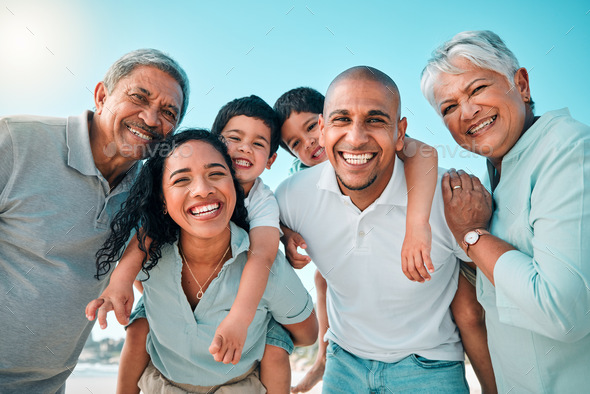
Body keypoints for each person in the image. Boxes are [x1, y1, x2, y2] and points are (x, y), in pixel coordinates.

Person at [0, 48, 188, 393]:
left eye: (167, 112)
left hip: (49, 386)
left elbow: (153, 249)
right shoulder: (14, 141)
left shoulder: (150, 191)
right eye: (138, 97)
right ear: (102, 96)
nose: (149, 119)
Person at [275, 66, 471, 393]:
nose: (356, 137)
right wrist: (282, 230)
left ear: (400, 133)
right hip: (345, 361)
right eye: (341, 120)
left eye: (375, 119)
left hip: (430, 364)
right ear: (325, 128)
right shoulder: (292, 195)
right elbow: (245, 221)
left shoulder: (447, 194)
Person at [87, 96, 298, 393]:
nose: (244, 149)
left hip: (249, 301)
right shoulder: (188, 190)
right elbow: (146, 234)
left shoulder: (262, 201)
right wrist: (121, 281)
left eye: (258, 143)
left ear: (271, 160)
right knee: (138, 330)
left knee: (275, 347)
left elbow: (263, 255)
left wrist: (240, 318)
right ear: (217, 143)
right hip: (181, 295)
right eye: (234, 139)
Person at [421, 30, 590, 392]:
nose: (467, 112)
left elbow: (565, 314)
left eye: (477, 89)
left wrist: (472, 235)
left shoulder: (569, 150)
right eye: (448, 108)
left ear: (522, 84)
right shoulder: (490, 178)